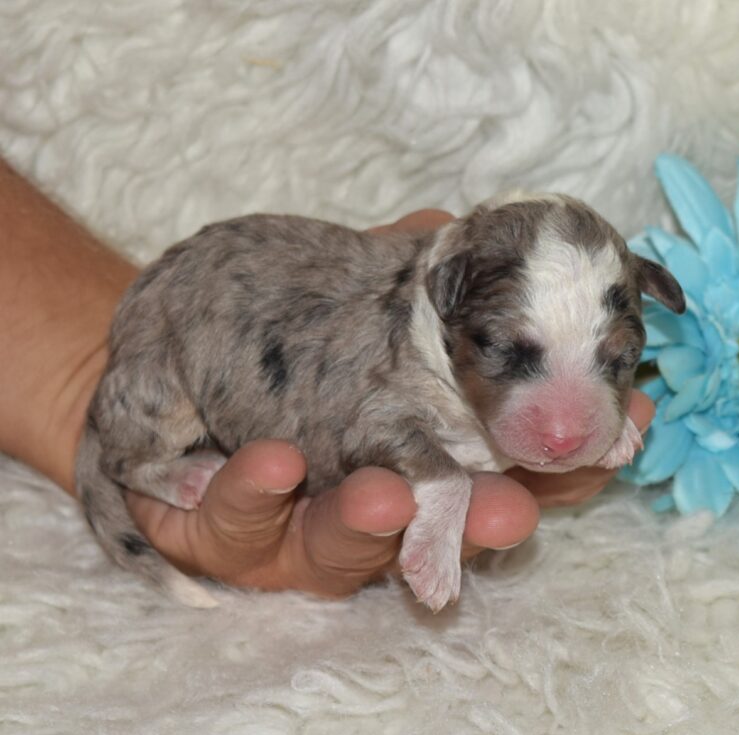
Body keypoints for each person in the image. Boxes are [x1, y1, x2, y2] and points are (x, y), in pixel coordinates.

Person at [0, 157, 655, 598]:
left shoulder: (458, 296)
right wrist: (440, 487)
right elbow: (383, 419)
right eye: (510, 349)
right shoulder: (411, 330)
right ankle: (143, 468)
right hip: (174, 344)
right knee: (155, 415)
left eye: (615, 357)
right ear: (446, 295)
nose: (567, 427)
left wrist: (607, 400)